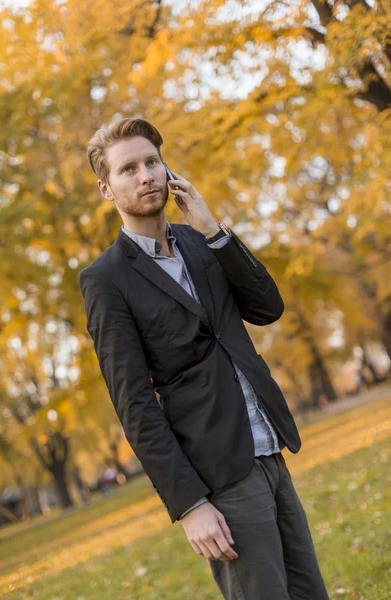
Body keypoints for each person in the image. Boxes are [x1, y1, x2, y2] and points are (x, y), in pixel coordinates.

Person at [79, 117, 329, 599]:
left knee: (309, 592)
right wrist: (190, 504)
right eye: (128, 169)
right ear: (106, 189)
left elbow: (267, 308)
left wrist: (215, 230)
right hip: (217, 473)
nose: (146, 175)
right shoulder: (106, 280)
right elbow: (135, 405)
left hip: (269, 448)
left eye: (152, 162)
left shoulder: (200, 240)